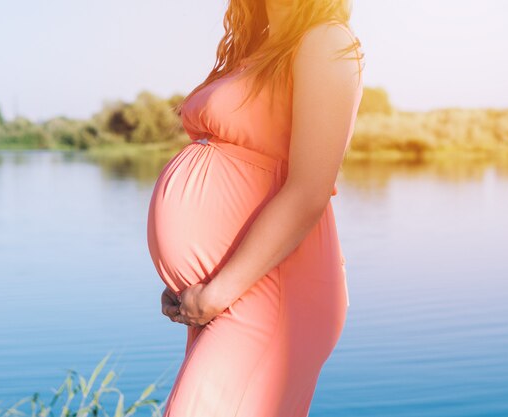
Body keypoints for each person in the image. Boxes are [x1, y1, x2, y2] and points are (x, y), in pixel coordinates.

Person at [147, 0, 365, 415]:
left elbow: (309, 190)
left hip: (272, 294)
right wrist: (191, 280)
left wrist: (218, 291)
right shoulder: (261, 48)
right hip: (231, 292)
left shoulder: (327, 40)